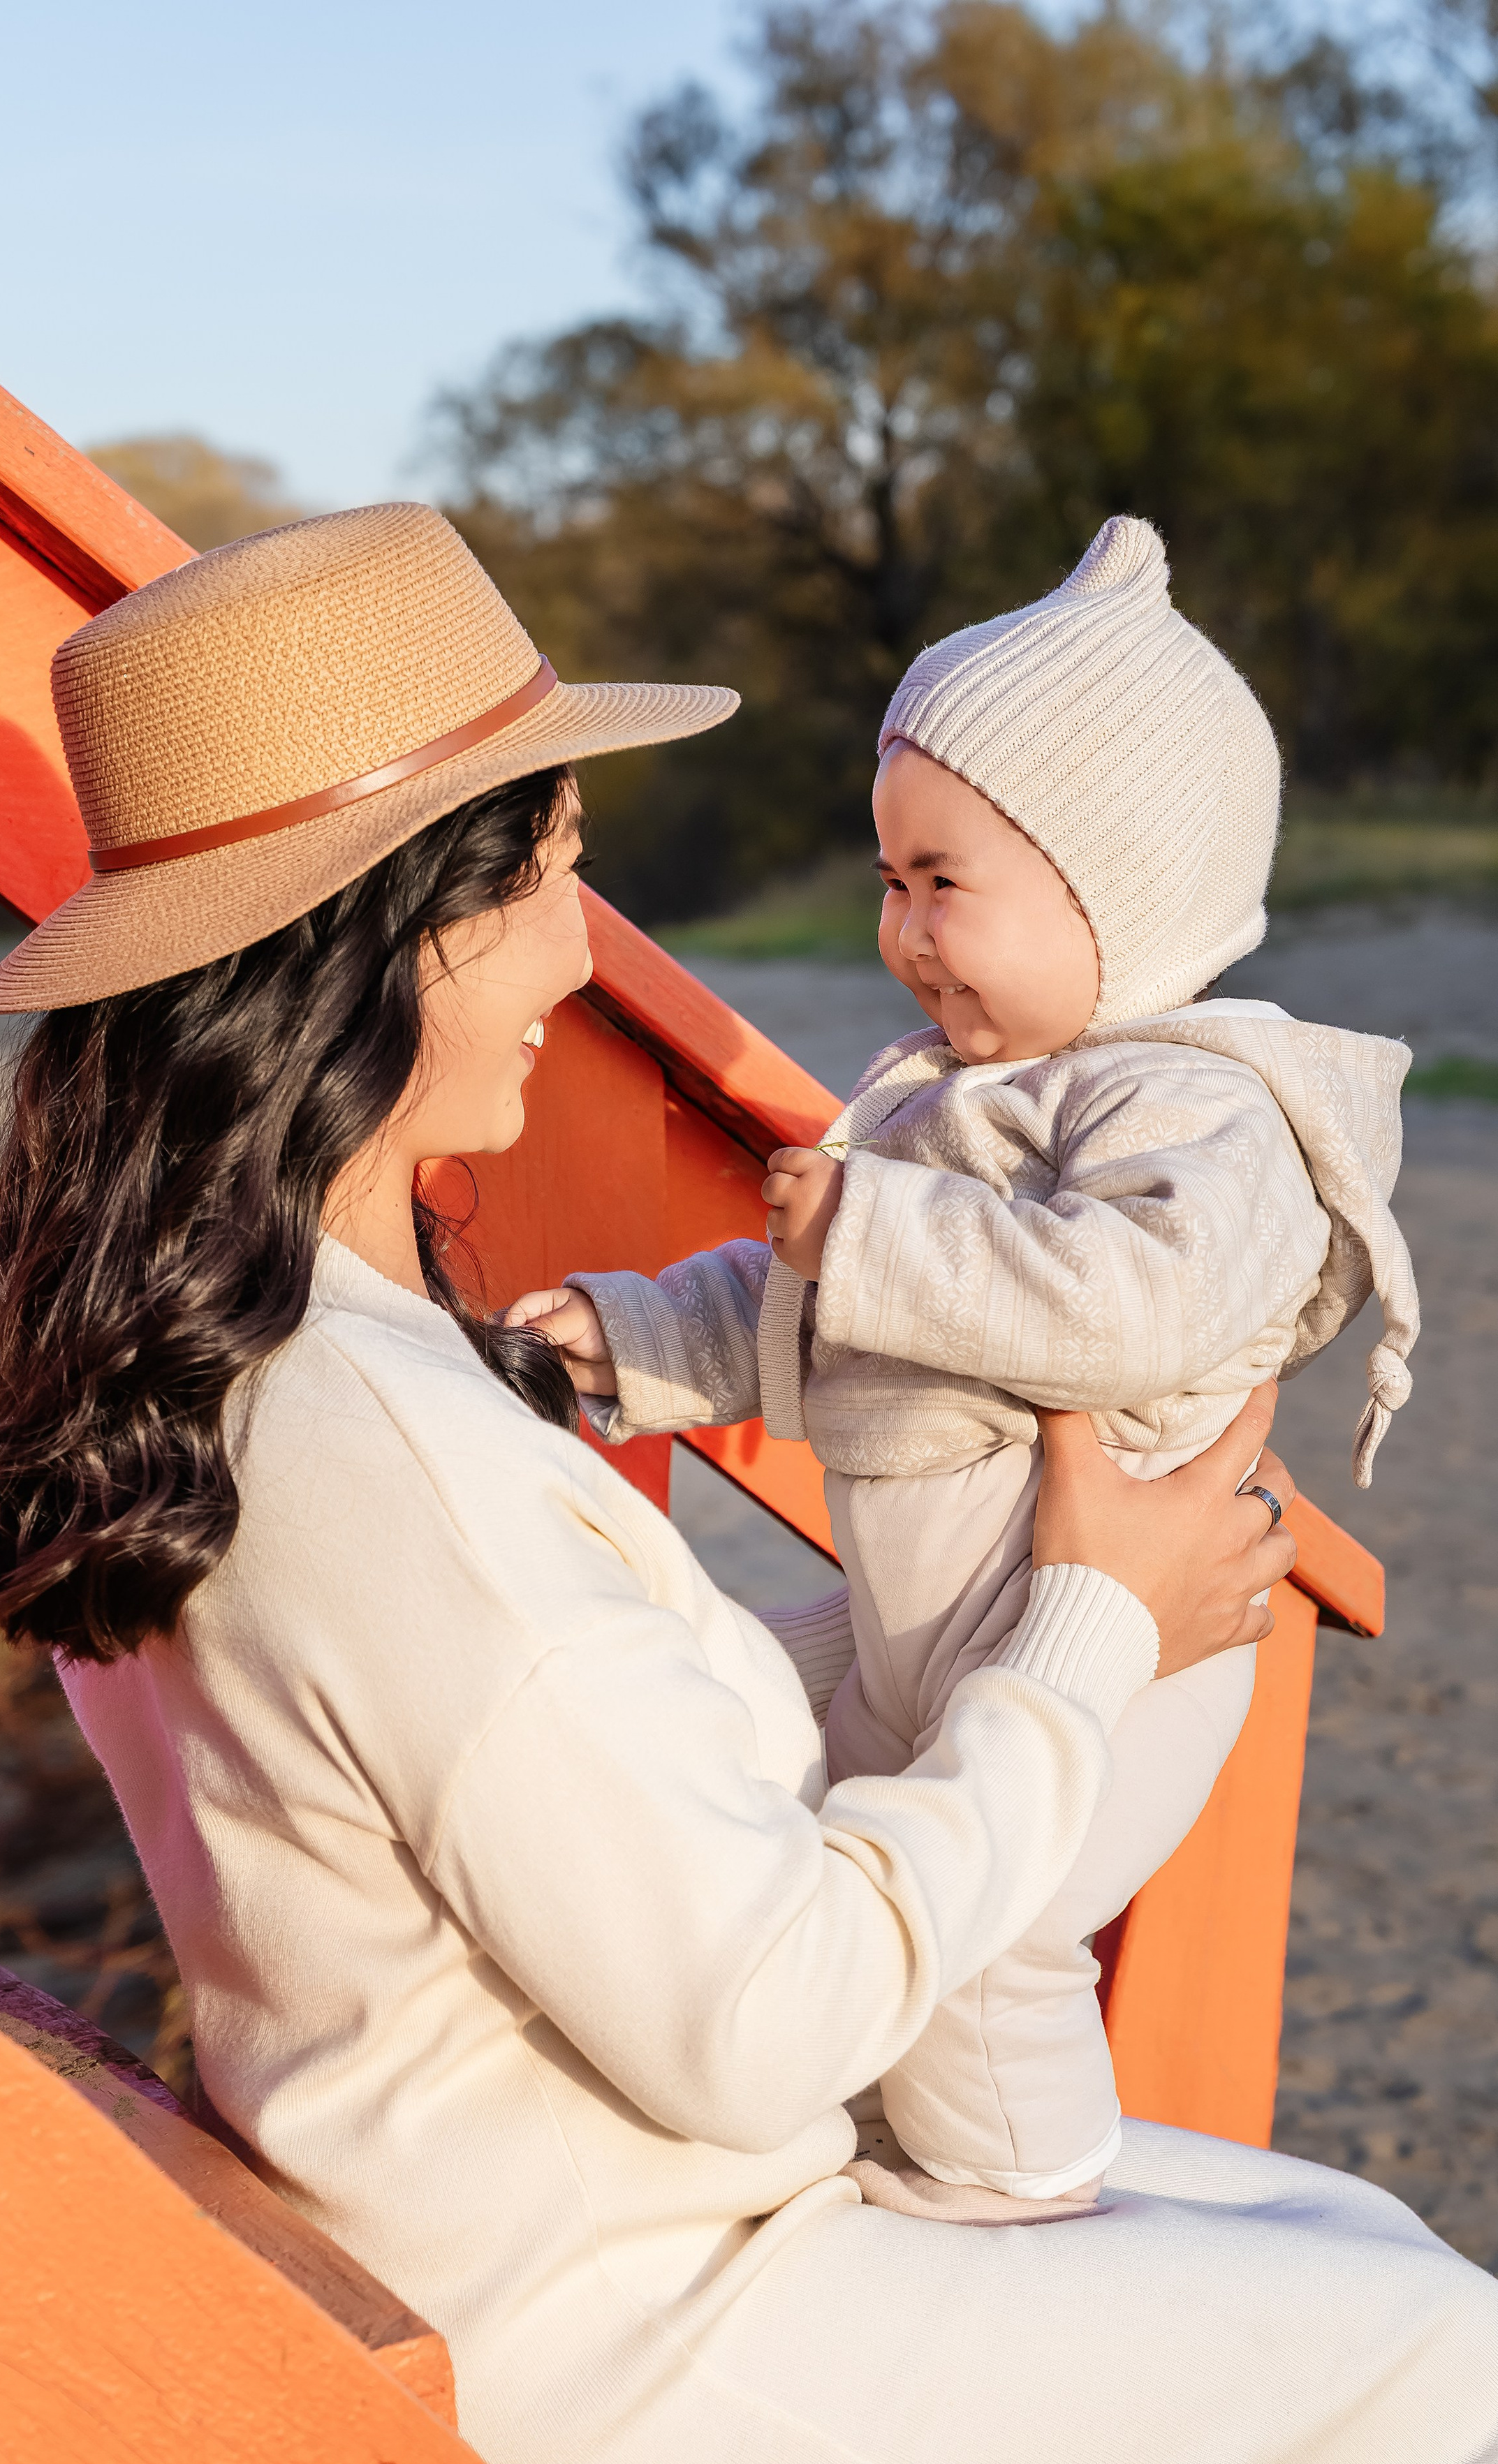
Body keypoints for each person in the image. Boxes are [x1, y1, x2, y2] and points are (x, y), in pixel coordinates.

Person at [0, 503, 1498, 2464]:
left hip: (538, 2254)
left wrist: (937, 1636)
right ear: (408, 932)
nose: (588, 956)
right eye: (556, 872)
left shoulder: (250, 1356)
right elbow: (757, 2012)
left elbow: (539, 1760)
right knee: (1454, 2396)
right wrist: (1089, 1628)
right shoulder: (371, 1446)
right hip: (645, 2361)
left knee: (1349, 2246)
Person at [507, 517, 1420, 2225]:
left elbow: (1125, 1305)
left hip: (1103, 1643)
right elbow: (826, 1307)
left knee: (993, 1935)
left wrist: (867, 1230)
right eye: (886, 880)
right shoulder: (950, 1097)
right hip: (926, 1623)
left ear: (1119, 894)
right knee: (737, 1769)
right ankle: (851, 2131)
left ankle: (1028, 2196)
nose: (904, 932)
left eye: (943, 881)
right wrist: (638, 1337)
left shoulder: (1196, 1113)